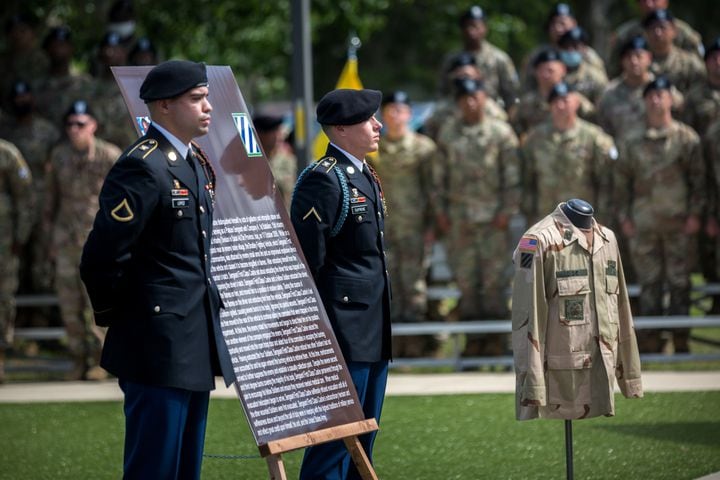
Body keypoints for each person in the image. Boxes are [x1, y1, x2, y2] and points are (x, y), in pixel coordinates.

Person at [80, 60, 235, 478]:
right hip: (156, 342)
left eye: (206, 98)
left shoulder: (193, 163)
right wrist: (125, 318)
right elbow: (101, 256)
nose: (208, 108)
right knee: (155, 467)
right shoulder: (143, 165)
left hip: (191, 340)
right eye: (196, 99)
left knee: (185, 469)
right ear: (163, 106)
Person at [291, 88, 390, 479]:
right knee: (335, 443)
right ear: (342, 129)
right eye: (369, 120)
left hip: (372, 327)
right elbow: (309, 260)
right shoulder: (324, 179)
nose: (378, 125)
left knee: (363, 443)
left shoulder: (363, 174)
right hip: (343, 331)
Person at [510, 199, 642, 420]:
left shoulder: (607, 239)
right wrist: (531, 387)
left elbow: (621, 309)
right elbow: (526, 317)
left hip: (603, 369)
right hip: (561, 384)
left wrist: (630, 376)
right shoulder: (535, 240)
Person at [614, 76, 704, 353]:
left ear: (670, 99)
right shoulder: (630, 140)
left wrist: (696, 215)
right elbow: (621, 183)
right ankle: (651, 340)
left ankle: (680, 339)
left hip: (678, 222)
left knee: (679, 282)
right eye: (650, 96)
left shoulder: (686, 138)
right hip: (644, 224)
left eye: (661, 95)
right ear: (644, 101)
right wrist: (624, 218)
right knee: (649, 283)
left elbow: (698, 181)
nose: (656, 100)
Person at [435, 78, 520, 357]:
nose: (470, 102)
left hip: (493, 222)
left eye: (475, 96)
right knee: (467, 284)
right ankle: (474, 344)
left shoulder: (501, 133)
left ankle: (497, 343)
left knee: (494, 284)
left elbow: (512, 177)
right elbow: (439, 179)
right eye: (464, 98)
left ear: (484, 98)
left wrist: (506, 212)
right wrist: (441, 213)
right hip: (460, 223)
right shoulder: (449, 134)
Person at [46, 100, 120, 381]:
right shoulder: (59, 156)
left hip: (98, 241)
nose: (74, 129)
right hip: (65, 239)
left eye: (80, 124)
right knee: (69, 303)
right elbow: (50, 201)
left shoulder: (110, 156)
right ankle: (77, 358)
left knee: (95, 304)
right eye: (69, 124)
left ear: (93, 126)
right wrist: (49, 239)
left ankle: (102, 361)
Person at [373, 91, 438, 357]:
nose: (395, 115)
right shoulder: (374, 149)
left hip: (414, 228)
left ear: (409, 114)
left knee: (413, 286)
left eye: (400, 110)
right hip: (384, 228)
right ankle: (393, 348)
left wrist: (432, 226)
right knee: (387, 285)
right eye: (390, 110)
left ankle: (415, 349)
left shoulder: (424, 148)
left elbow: (432, 190)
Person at [520, 82, 617, 226]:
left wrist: (601, 218)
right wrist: (529, 215)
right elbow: (527, 180)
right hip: (546, 220)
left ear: (576, 103)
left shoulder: (594, 137)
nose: (560, 106)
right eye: (555, 102)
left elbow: (605, 182)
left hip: (582, 220)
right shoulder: (535, 138)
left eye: (565, 100)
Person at [0, 81, 60, 300]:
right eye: (16, 98)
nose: (21, 102)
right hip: (15, 208)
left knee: (42, 258)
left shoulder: (48, 131)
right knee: (17, 260)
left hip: (43, 201)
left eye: (24, 97)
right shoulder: (6, 133)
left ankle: (42, 313)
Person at [598, 36, 683, 141]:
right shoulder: (610, 93)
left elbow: (680, 116)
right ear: (622, 61)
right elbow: (603, 129)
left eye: (638, 56)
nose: (634, 61)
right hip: (623, 152)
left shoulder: (663, 90)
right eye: (629, 57)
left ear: (649, 58)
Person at [440, 5, 519, 109]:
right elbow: (442, 93)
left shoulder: (499, 58)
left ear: (485, 28)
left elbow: (512, 95)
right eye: (466, 26)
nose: (470, 31)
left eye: (475, 26)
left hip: (490, 113)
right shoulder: (451, 59)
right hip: (456, 115)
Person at [0, 139, 33, 383]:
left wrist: (20, 237)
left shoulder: (7, 153)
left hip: (4, 242)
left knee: (3, 298)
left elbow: (25, 196)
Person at [511, 48, 595, 140]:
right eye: (541, 71)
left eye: (550, 71)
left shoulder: (575, 100)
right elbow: (514, 128)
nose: (546, 75)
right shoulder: (526, 104)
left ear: (563, 70)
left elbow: (593, 121)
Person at [521, 3, 606, 92]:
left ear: (574, 24)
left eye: (562, 23)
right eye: (553, 24)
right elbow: (525, 88)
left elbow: (602, 86)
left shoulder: (588, 55)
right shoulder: (538, 56)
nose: (558, 28)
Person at [424, 52, 508, 142]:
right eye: (459, 78)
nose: (464, 81)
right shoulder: (441, 110)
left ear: (477, 76)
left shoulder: (491, 108)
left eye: (467, 76)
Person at [609, 0, 703, 77]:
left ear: (666, 2)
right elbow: (613, 71)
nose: (649, 4)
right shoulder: (625, 34)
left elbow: (699, 68)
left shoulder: (684, 32)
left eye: (654, 0)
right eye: (644, 1)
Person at [35, 26, 94, 127]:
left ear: (71, 48)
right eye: (54, 45)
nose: (59, 49)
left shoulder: (85, 83)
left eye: (63, 45)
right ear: (47, 49)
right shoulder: (36, 84)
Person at [90, 32, 137, 148]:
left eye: (115, 49)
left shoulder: (137, 87)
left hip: (130, 153)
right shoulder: (89, 87)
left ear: (124, 53)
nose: (109, 53)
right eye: (106, 48)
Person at [643, 9, 705, 94]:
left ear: (674, 31)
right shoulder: (640, 62)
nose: (657, 33)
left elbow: (703, 89)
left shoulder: (689, 63)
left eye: (662, 27)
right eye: (653, 28)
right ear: (646, 33)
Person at [253, 111, 297, 210]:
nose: (279, 135)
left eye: (279, 130)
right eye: (274, 131)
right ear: (260, 134)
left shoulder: (289, 162)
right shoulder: (250, 164)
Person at [556, 27, 608, 104]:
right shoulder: (553, 74)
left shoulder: (595, 76)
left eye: (575, 46)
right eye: (566, 46)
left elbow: (604, 105)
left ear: (584, 49)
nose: (570, 50)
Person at [683, 38, 720, 138]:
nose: (718, 62)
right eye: (714, 58)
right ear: (706, 63)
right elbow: (688, 131)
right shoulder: (694, 95)